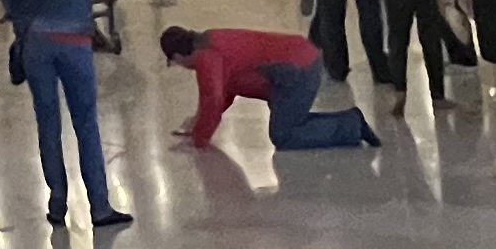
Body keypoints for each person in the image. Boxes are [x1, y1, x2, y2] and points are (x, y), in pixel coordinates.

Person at [0, 0, 127, 230]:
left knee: (48, 124)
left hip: (38, 46)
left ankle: (57, 203)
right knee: (87, 124)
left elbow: (11, 0)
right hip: (75, 43)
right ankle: (100, 205)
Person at [161, 23, 379, 149]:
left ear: (179, 56)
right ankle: (348, 123)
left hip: (296, 73)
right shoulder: (211, 40)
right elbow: (224, 92)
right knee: (290, 124)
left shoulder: (206, 59)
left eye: (175, 62)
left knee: (283, 136)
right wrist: (197, 123)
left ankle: (351, 126)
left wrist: (199, 140)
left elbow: (214, 98)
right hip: (300, 60)